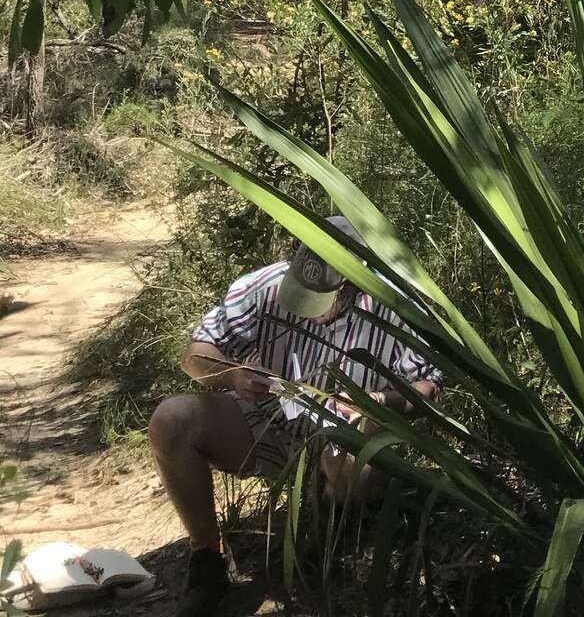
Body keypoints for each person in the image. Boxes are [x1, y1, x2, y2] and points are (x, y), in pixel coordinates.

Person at [148, 216, 442, 617]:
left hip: (350, 438)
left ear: (353, 283)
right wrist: (232, 374)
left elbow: (427, 391)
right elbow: (194, 355)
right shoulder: (265, 288)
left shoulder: (398, 306)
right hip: (269, 424)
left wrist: (372, 400)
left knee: (345, 454)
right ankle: (208, 559)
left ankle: (336, 533)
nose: (309, 313)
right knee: (172, 419)